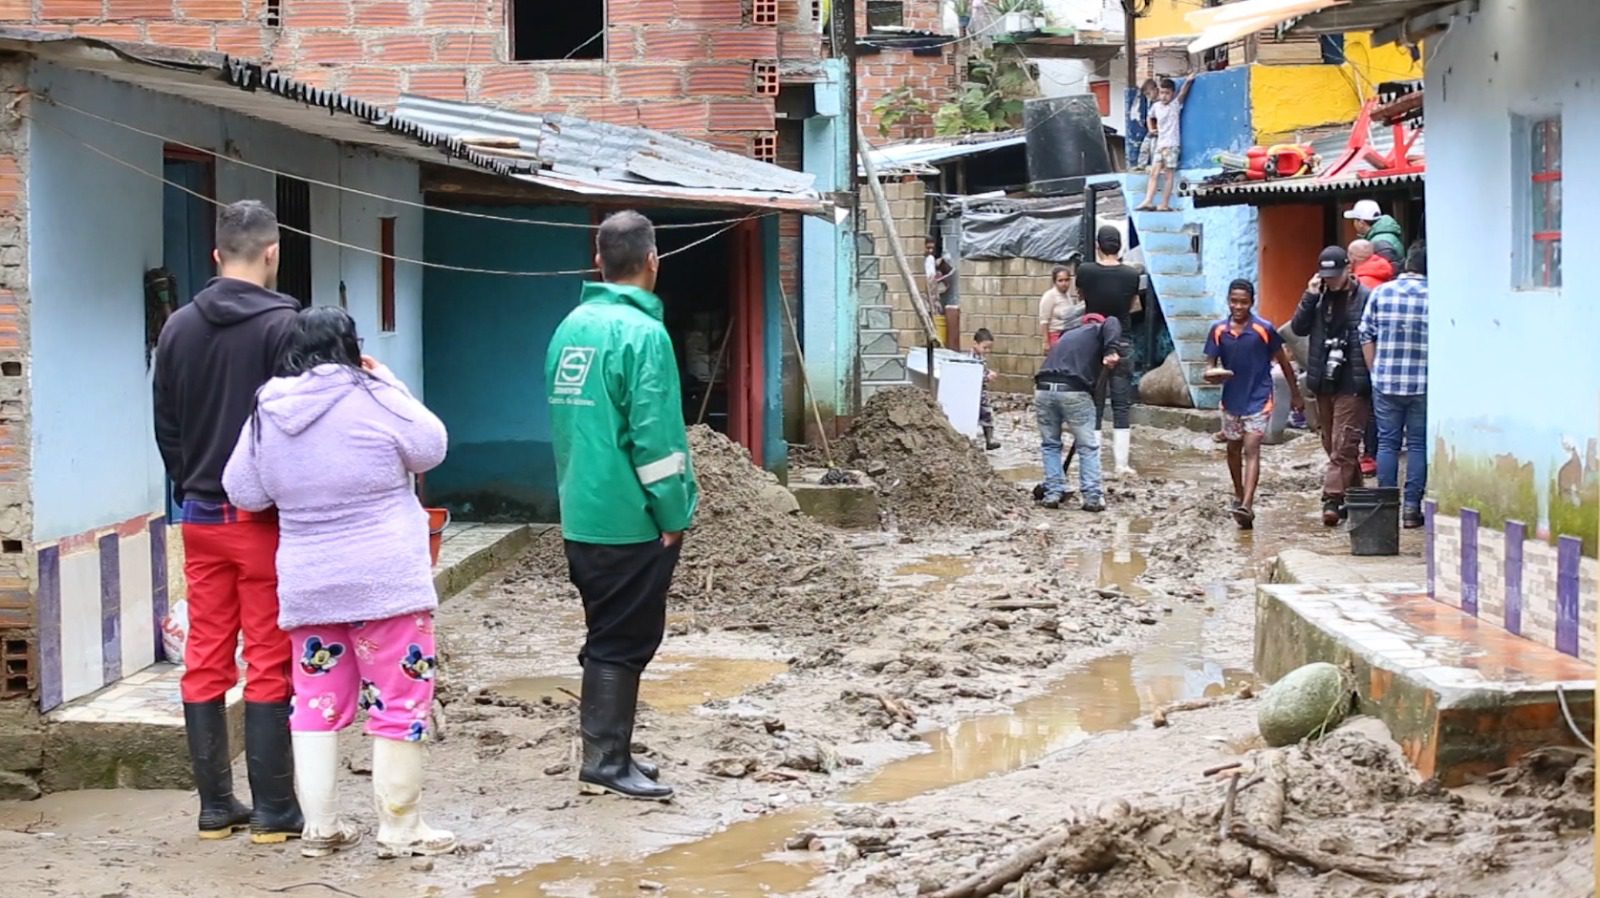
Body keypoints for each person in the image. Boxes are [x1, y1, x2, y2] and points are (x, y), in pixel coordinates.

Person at [221, 308, 455, 859]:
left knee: (315, 701)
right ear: (353, 347)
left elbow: (243, 490)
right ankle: (400, 828)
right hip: (387, 582)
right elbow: (431, 446)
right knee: (400, 699)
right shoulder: (372, 393)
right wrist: (387, 380)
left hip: (310, 582)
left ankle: (320, 828)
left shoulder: (267, 407)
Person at [152, 200, 302, 843]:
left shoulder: (177, 327)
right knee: (268, 657)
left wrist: (193, 484)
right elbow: (298, 427)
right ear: (272, 253)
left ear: (217, 255)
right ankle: (273, 811)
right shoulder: (285, 326)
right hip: (263, 521)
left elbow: (166, 426)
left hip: (200, 516)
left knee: (206, 655)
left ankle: (216, 806)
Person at [546, 211, 699, 801]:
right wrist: (672, 513)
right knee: (624, 641)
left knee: (606, 632)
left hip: (580, 511)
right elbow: (656, 439)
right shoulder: (644, 335)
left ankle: (614, 751)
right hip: (628, 518)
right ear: (653, 261)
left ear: (597, 260)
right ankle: (606, 762)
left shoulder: (570, 326)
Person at [1203, 280, 1304, 529]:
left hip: (1259, 398)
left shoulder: (1264, 329)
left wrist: (1296, 395)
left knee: (1252, 447)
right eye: (1234, 301)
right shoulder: (1218, 330)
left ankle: (1247, 504)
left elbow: (1284, 362)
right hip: (1231, 401)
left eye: (1244, 302)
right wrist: (1214, 374)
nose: (1238, 306)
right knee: (1233, 449)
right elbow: (1209, 366)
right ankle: (1239, 494)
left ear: (1252, 302)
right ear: (1228, 300)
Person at [1292, 246, 1374, 527]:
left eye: (1335, 275)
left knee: (1344, 442)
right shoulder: (1318, 297)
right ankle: (1359, 498)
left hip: (1353, 379)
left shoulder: (1365, 298)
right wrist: (1309, 296)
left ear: (1348, 269)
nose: (1331, 281)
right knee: (1331, 443)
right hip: (1324, 379)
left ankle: (1332, 499)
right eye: (1326, 276)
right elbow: (1298, 328)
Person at [1360, 241, 1430, 529]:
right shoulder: (1436, 296)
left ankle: (1386, 507)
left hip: (1386, 380)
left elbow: (1365, 334)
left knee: (1387, 443)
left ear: (1406, 265)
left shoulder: (1381, 293)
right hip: (1423, 383)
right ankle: (1412, 509)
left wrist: (1374, 371)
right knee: (1417, 444)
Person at [1074, 225, 1143, 477]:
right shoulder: (1131, 274)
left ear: (1097, 246)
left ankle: (1093, 464)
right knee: (1121, 404)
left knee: (1095, 403)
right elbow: (1134, 305)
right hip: (1122, 342)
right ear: (1120, 246)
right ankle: (1121, 464)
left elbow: (1081, 297)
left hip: (1092, 341)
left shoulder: (1085, 271)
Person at [1034, 312, 1121, 512]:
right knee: (1088, 447)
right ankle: (1091, 497)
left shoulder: (1069, 336)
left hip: (1043, 389)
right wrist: (1111, 350)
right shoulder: (1099, 329)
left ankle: (1053, 493)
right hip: (1073, 389)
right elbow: (1113, 322)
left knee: (1050, 444)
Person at [1137, 76, 1195, 212]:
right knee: (1154, 173)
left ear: (1172, 94)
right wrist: (1151, 129)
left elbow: (1183, 93)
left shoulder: (1175, 105)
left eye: (1167, 93)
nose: (1164, 96)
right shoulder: (1156, 106)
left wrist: (1188, 80)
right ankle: (1148, 201)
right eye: (1162, 93)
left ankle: (1164, 203)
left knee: (1169, 175)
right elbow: (1149, 116)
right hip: (1160, 145)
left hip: (1172, 145)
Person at [1344, 199, 1404, 265]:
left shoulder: (1378, 242)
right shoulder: (1386, 235)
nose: (1353, 223)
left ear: (1361, 223)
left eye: (1354, 220)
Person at [1038, 264, 1082, 351]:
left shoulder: (1067, 296)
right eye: (1060, 281)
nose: (1064, 284)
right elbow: (1044, 320)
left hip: (1068, 334)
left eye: (1066, 280)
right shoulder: (1050, 296)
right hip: (1056, 335)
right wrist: (1046, 342)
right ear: (1055, 282)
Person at [972, 328, 1000, 450]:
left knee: (987, 415)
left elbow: (982, 371)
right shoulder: (972, 358)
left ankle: (989, 440)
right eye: (985, 347)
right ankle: (978, 440)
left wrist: (988, 372)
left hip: (981, 394)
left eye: (989, 348)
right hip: (975, 394)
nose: (987, 351)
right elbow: (973, 375)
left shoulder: (980, 357)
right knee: (978, 415)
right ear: (975, 344)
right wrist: (987, 377)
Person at [1126, 79, 1159, 171]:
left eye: (1149, 94)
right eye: (1146, 95)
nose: (1148, 97)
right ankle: (1141, 165)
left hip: (1160, 131)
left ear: (1156, 90)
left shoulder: (1161, 103)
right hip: (1152, 130)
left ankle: (1154, 166)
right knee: (1145, 147)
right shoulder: (1152, 103)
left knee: (1154, 149)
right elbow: (1149, 117)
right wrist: (1151, 129)